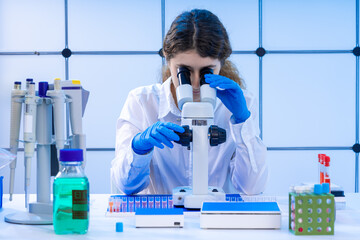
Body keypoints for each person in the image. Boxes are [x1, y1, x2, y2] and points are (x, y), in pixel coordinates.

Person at [111, 9, 268, 195]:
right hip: (161, 221)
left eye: (206, 72)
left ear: (221, 64)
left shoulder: (240, 103)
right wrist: (138, 150)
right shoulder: (142, 102)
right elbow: (126, 186)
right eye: (184, 71)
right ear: (167, 60)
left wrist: (242, 121)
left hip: (215, 220)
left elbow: (251, 188)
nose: (194, 83)